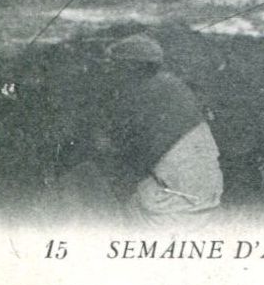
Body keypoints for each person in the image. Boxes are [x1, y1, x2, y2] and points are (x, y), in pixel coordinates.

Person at [62, 33, 223, 222]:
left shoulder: (136, 95)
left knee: (84, 177)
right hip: (208, 195)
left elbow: (126, 159)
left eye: (113, 65)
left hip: (171, 205)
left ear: (130, 67)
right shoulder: (174, 85)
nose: (109, 71)